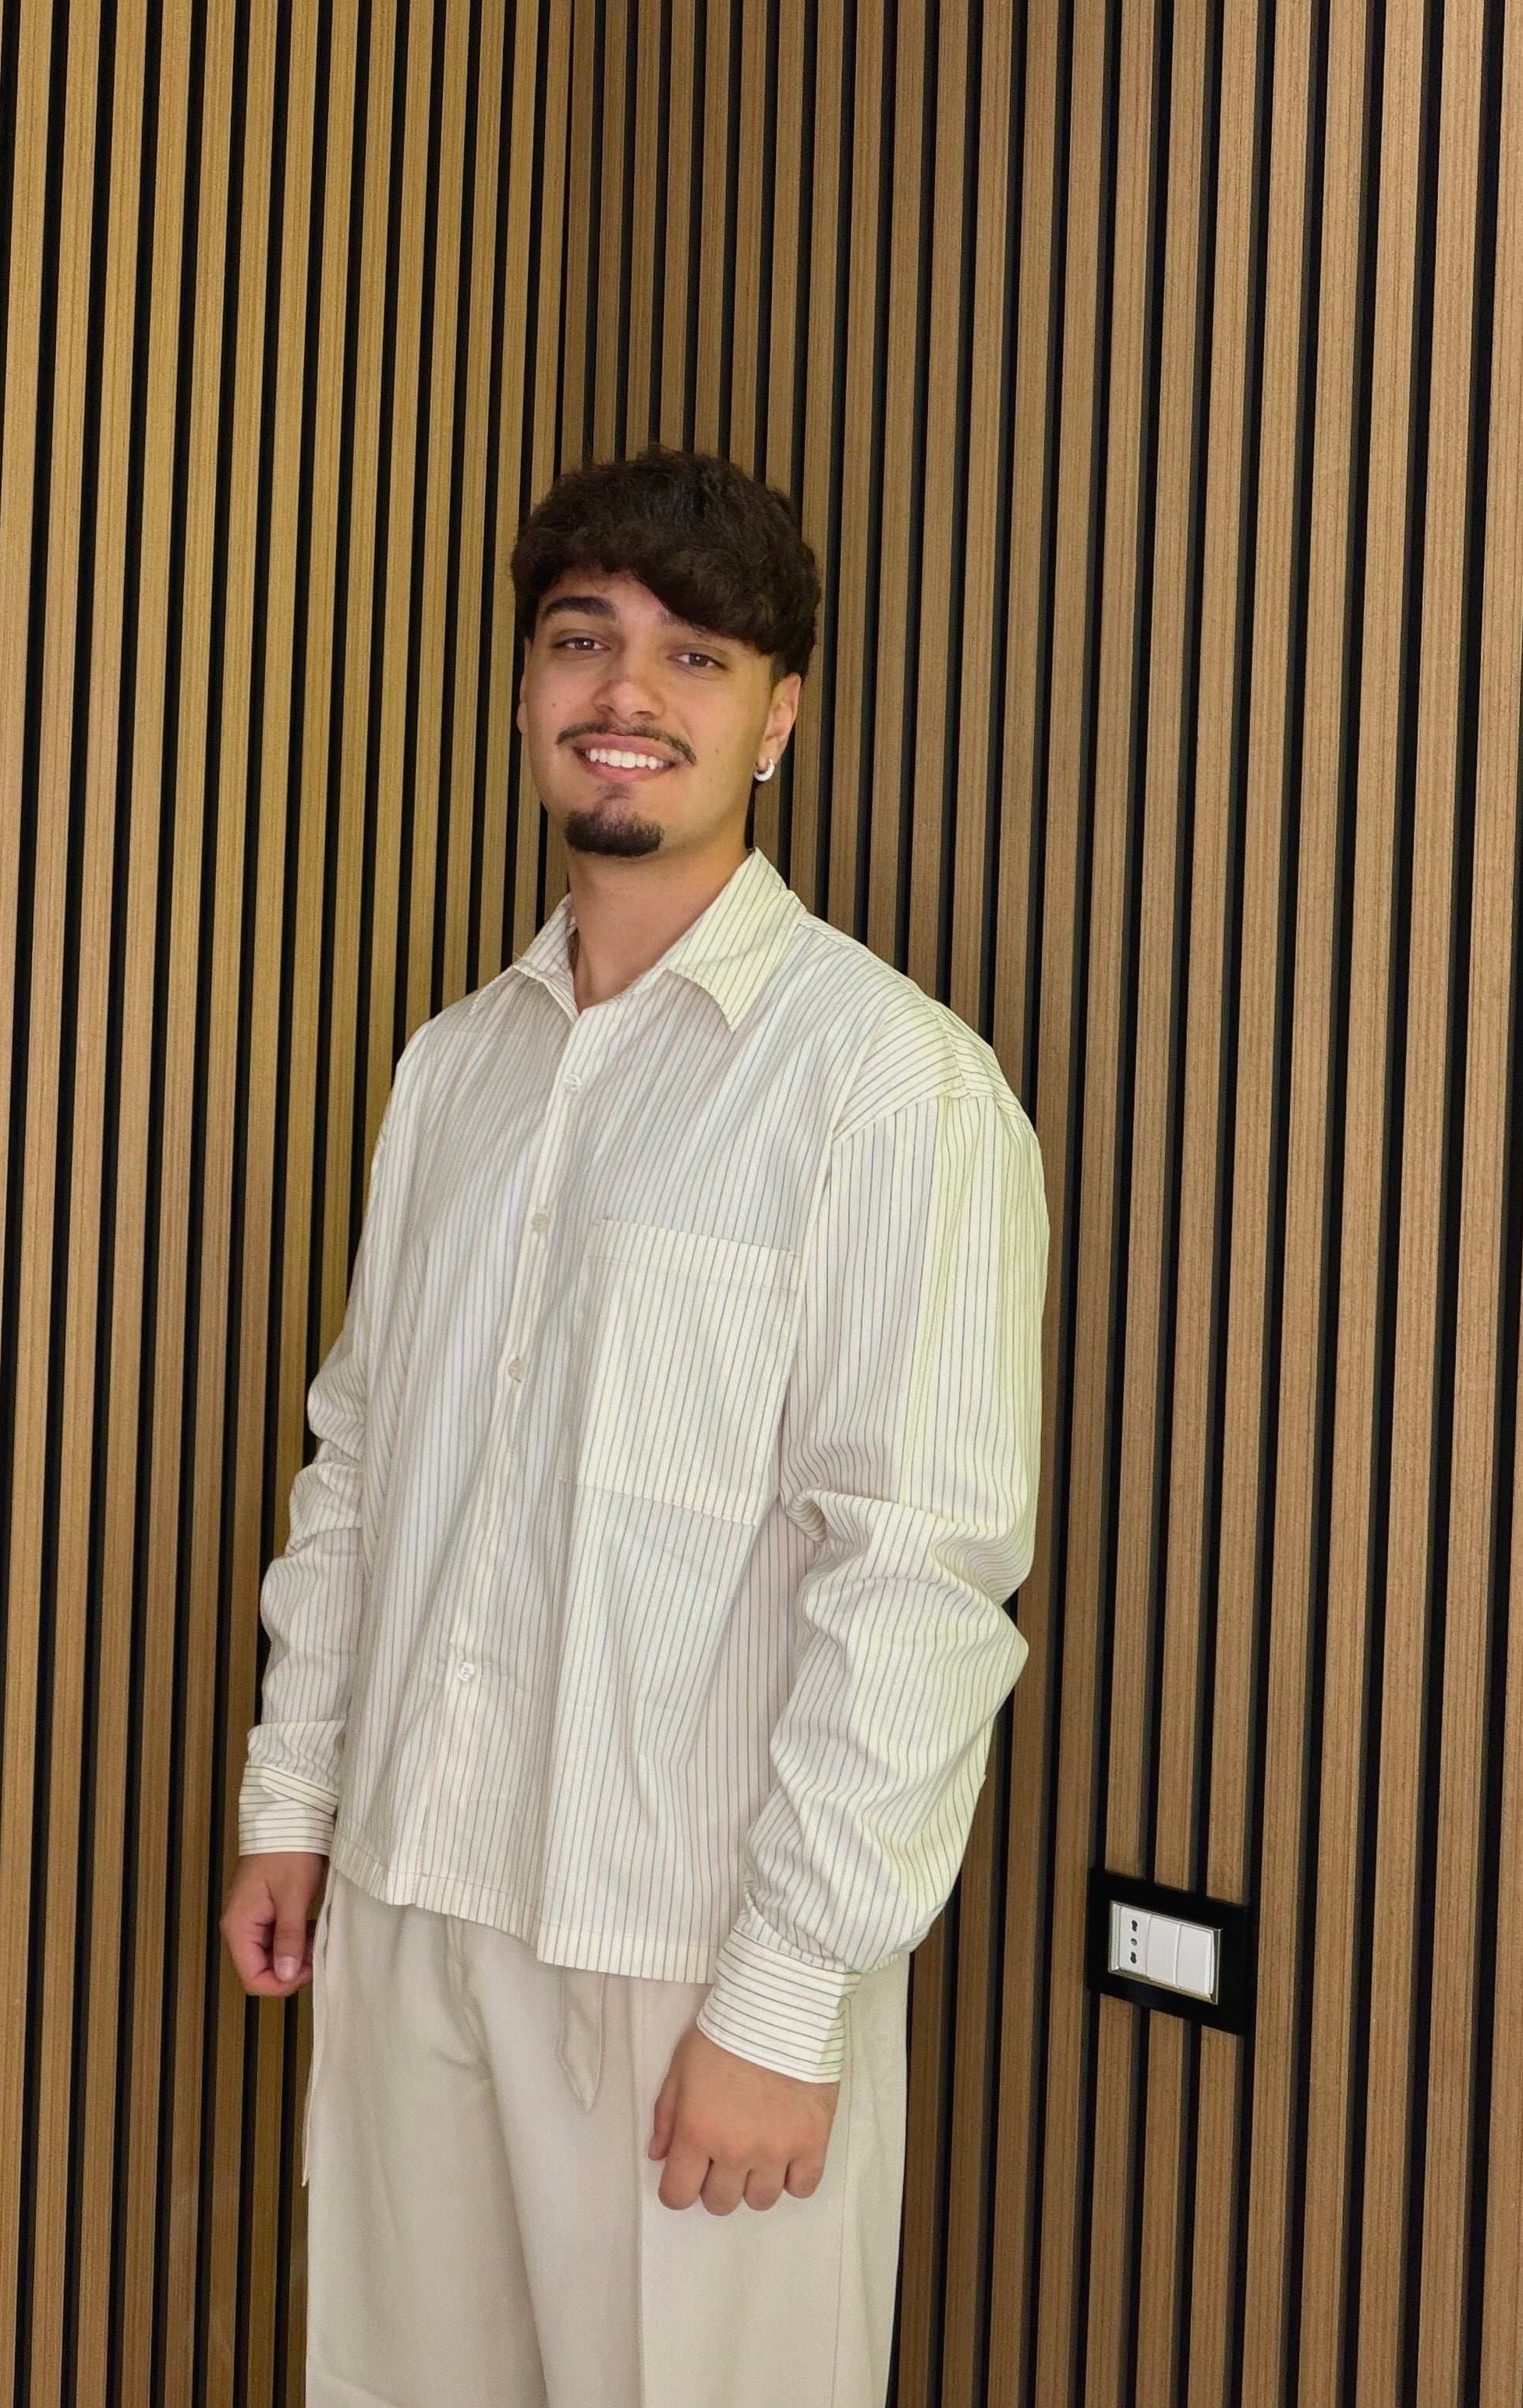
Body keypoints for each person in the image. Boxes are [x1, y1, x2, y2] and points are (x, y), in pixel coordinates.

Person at [218, 444, 1049, 2406]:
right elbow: (361, 1465)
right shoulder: (454, 1068)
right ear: (527, 686)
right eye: (584, 639)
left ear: (780, 718)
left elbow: (919, 1580)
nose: (628, 692)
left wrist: (786, 1995)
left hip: (686, 1954)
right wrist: (293, 1800)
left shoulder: (890, 1086)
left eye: (697, 656)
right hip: (411, 1906)